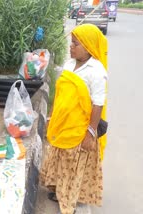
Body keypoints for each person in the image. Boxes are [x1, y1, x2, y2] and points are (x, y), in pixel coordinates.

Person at [40, 24, 108, 214]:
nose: (71, 47)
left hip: (78, 130)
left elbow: (98, 104)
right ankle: (58, 190)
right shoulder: (69, 64)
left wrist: (91, 132)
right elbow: (62, 93)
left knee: (71, 167)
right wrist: (52, 117)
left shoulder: (96, 71)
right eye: (71, 43)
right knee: (58, 160)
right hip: (62, 124)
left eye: (75, 44)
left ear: (87, 47)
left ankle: (68, 203)